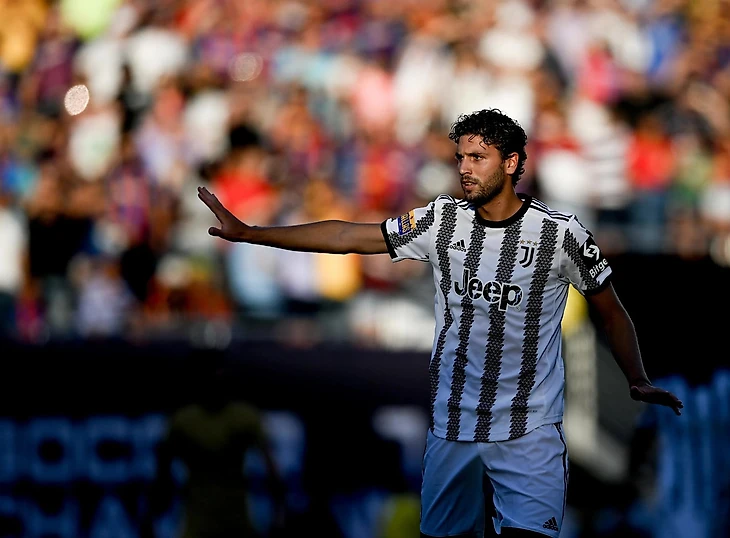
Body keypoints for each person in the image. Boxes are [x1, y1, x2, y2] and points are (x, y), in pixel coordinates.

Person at [197, 108, 684, 538]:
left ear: (511, 163)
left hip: (529, 431)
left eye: (478, 158)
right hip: (453, 429)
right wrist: (253, 233)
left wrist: (635, 376)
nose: (465, 168)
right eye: (461, 158)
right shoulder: (440, 221)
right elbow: (347, 236)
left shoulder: (561, 235)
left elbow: (611, 310)